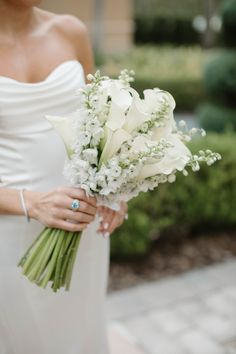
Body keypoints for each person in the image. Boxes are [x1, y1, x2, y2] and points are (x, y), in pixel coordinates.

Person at [0, 1, 135, 353]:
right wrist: (31, 202)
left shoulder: (71, 31)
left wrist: (113, 187)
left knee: (83, 335)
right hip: (9, 236)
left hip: (83, 228)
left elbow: (98, 125)